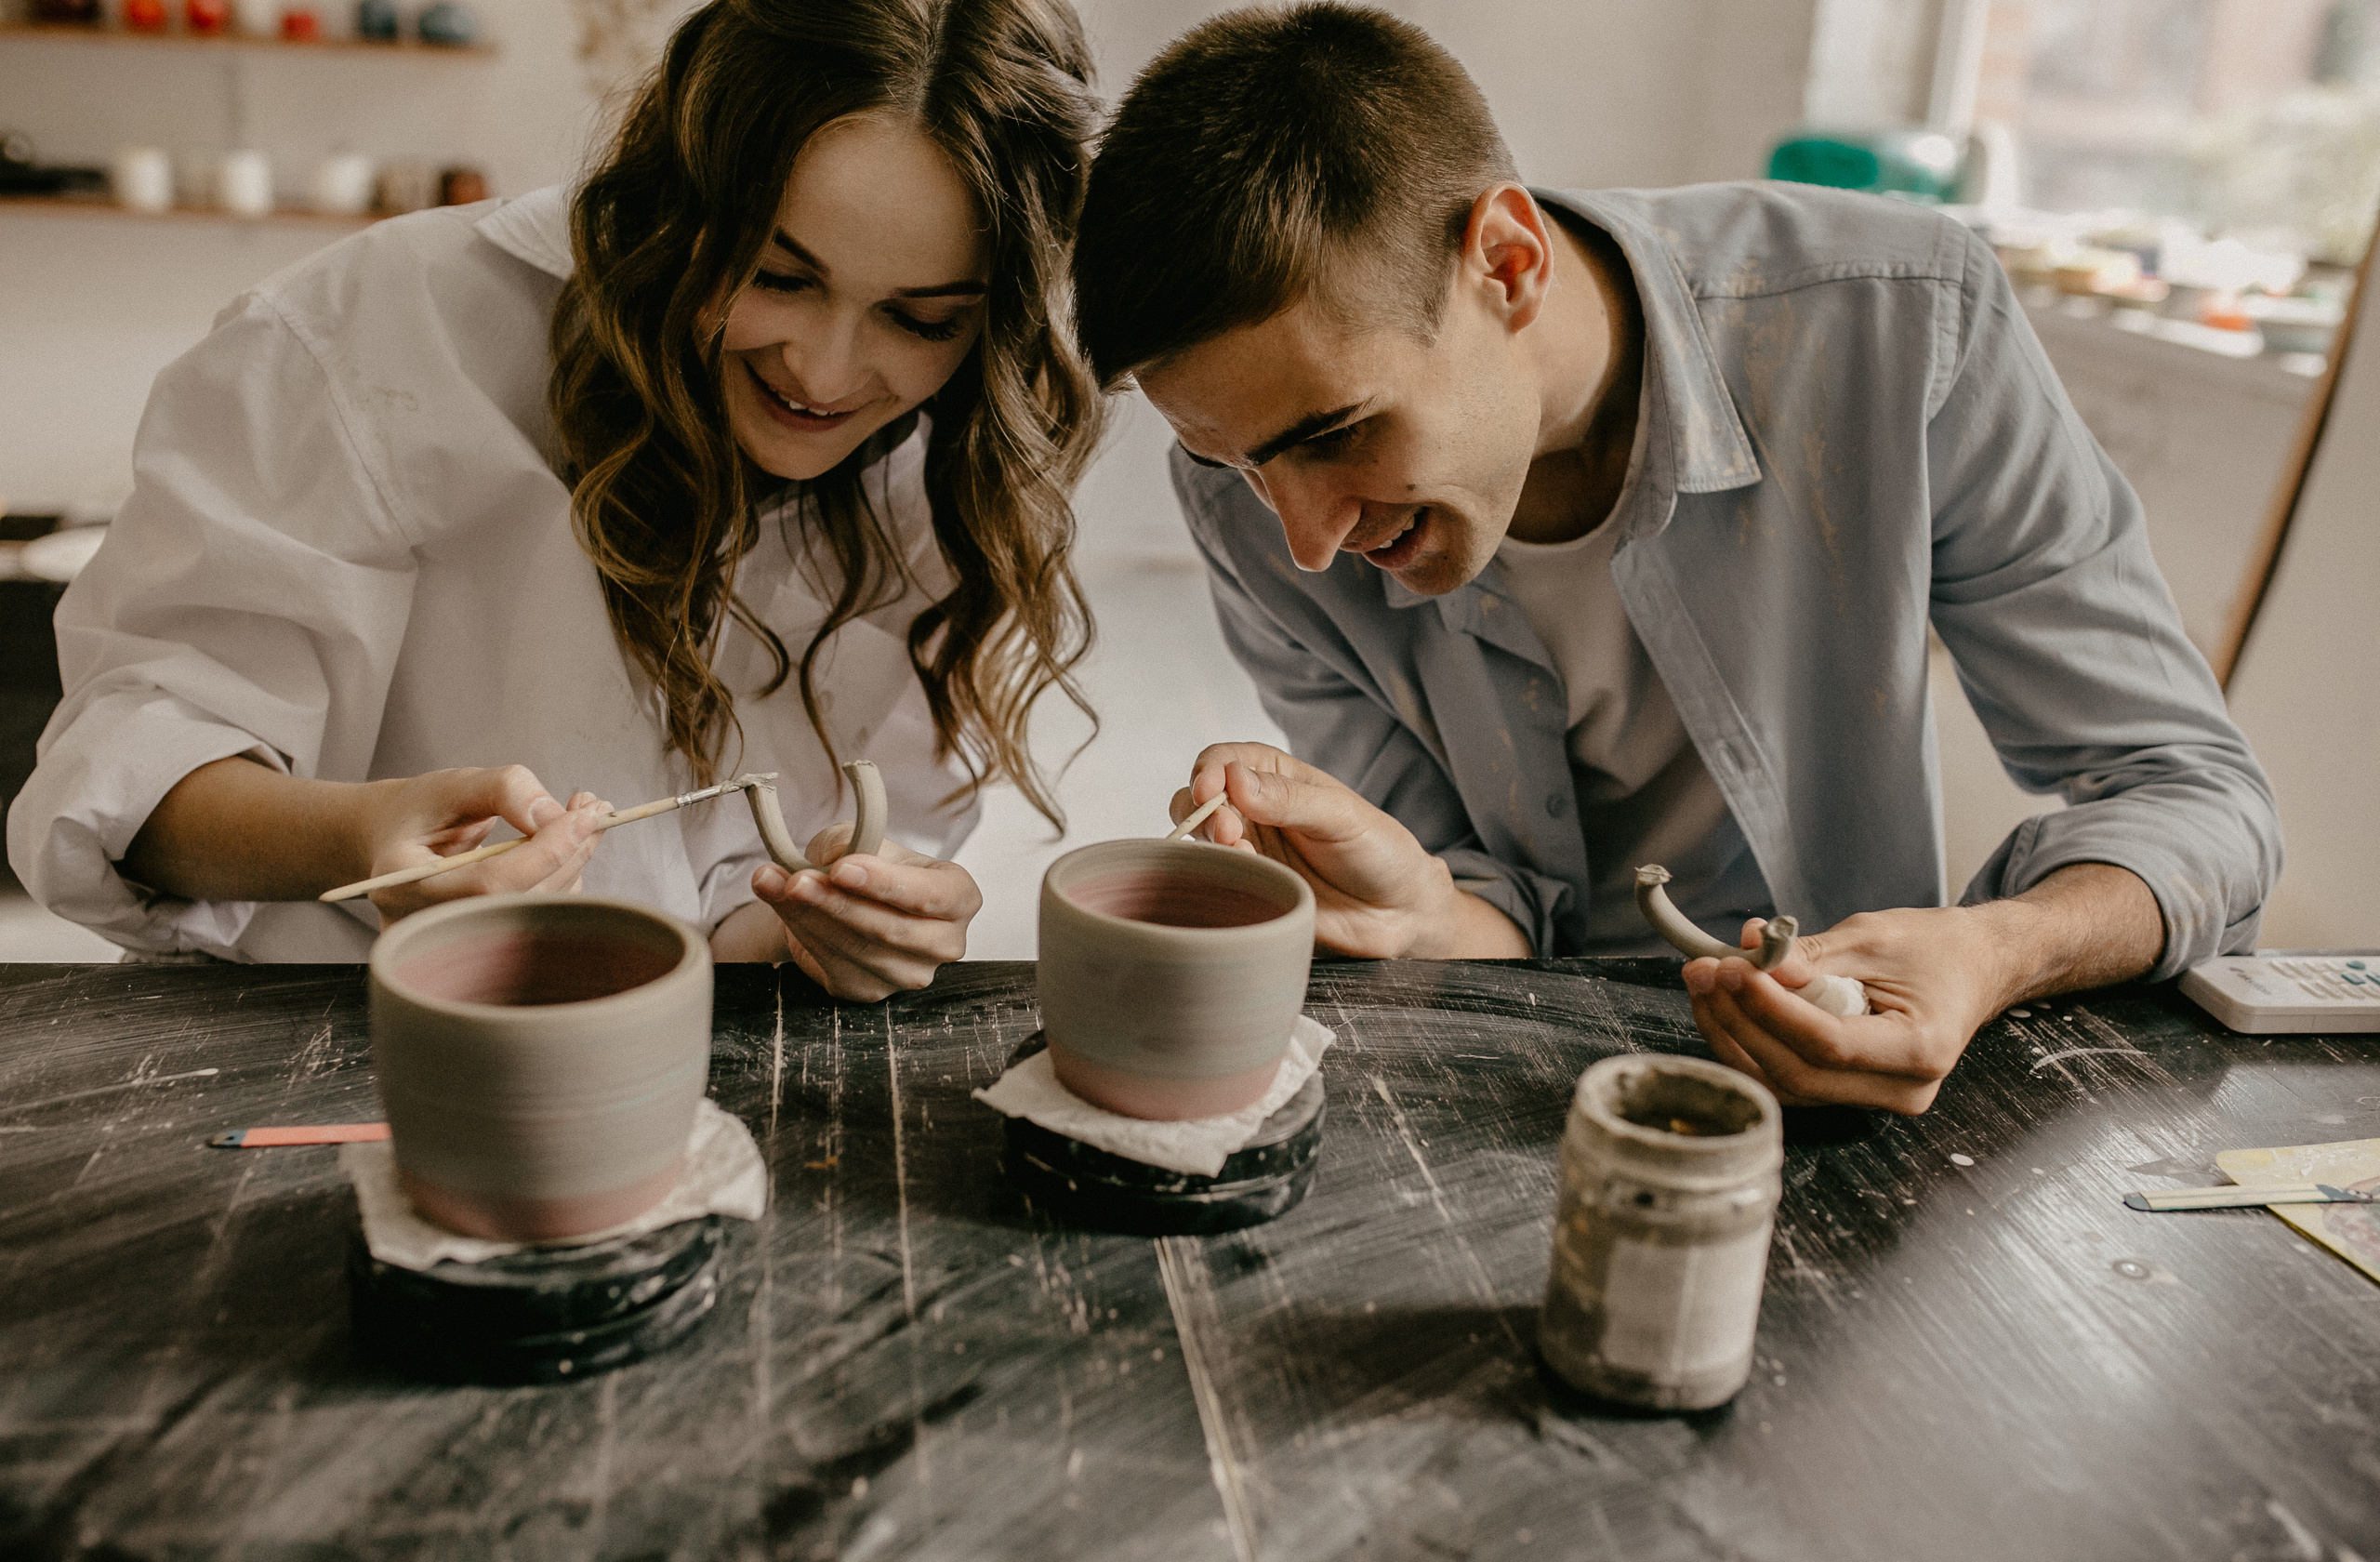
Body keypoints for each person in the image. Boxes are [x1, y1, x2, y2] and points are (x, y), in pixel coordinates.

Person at [1069, 4, 2281, 1112]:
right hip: (1512, 1088)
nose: (1307, 538)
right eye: (1236, 462)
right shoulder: (1252, 516)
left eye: (1337, 433)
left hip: (1855, 1117)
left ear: (1507, 262)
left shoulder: (1897, 321)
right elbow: (1491, 922)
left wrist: (1992, 950)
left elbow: (2195, 797)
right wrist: (1431, 905)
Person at [8, 0, 1104, 999]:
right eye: (778, 276)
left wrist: (835, 927)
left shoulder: (953, 458)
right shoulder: (377, 332)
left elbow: (746, 899)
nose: (823, 374)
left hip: (669, 1054)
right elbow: (135, 782)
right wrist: (364, 834)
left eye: (922, 320)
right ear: (681, 204)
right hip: (324, 1038)